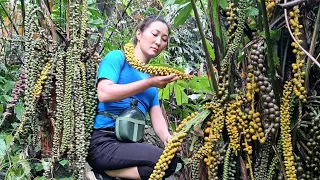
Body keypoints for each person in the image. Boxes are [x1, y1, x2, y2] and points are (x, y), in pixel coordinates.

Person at [86, 16, 180, 180]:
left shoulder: (152, 80)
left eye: (164, 39)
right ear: (139, 34)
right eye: (154, 34)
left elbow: (157, 118)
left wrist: (168, 139)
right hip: (103, 142)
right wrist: (149, 82)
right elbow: (104, 93)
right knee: (162, 162)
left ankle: (107, 174)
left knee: (169, 162)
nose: (158, 41)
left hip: (129, 145)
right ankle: (102, 173)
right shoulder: (118, 57)